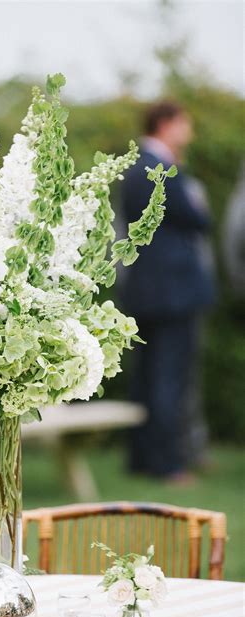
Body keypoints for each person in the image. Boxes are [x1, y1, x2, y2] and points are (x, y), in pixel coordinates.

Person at [120, 100, 215, 483]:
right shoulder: (161, 168)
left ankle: (142, 456)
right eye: (184, 122)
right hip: (174, 291)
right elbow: (196, 218)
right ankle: (166, 463)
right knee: (169, 378)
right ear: (166, 124)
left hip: (145, 289)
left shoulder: (132, 168)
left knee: (147, 376)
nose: (188, 131)